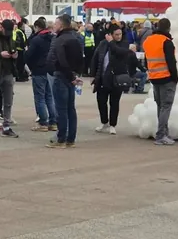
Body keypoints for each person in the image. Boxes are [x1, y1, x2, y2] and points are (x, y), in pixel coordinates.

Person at [46, 14, 83, 148]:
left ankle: (61, 139)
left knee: (61, 109)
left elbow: (61, 60)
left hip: (61, 76)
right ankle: (70, 139)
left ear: (61, 25)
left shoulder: (60, 39)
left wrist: (70, 75)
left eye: (56, 24)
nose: (54, 26)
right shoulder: (75, 38)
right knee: (70, 109)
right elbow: (80, 59)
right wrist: (75, 75)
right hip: (70, 76)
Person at [91, 26, 133, 136]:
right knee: (101, 101)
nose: (119, 36)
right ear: (110, 34)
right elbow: (96, 58)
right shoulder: (103, 44)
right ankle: (104, 121)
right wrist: (94, 75)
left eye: (120, 34)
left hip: (116, 78)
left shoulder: (124, 43)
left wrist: (111, 43)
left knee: (114, 102)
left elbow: (119, 52)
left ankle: (113, 124)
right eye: (116, 34)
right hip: (103, 77)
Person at [142, 18, 178, 145]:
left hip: (154, 77)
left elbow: (146, 60)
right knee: (166, 106)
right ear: (168, 27)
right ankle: (161, 134)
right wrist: (175, 77)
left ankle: (164, 132)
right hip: (166, 77)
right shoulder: (166, 42)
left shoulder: (148, 40)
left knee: (160, 106)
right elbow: (171, 62)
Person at [25, 18, 57, 132]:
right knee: (49, 97)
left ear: (37, 27)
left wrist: (31, 66)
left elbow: (29, 55)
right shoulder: (53, 38)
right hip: (50, 70)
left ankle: (43, 122)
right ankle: (53, 122)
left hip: (38, 70)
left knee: (40, 97)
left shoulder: (36, 39)